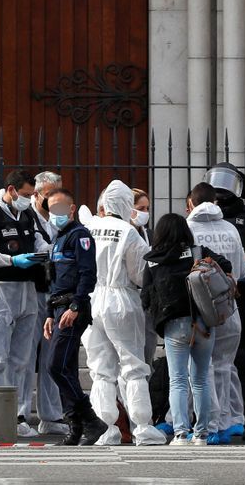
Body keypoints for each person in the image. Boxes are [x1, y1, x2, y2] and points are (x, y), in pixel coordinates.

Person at [82, 180, 166, 446]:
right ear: (127, 205)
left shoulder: (90, 226)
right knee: (133, 365)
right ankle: (142, 426)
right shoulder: (129, 232)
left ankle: (106, 428)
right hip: (121, 300)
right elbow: (141, 274)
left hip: (93, 298)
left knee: (101, 369)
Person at [141, 213, 233, 445]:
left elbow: (145, 297)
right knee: (200, 378)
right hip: (203, 323)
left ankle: (181, 432)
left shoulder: (152, 260)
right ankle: (201, 433)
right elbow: (227, 266)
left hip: (173, 325)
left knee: (178, 380)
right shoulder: (197, 252)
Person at [0, 170, 49, 436]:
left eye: (32, 195)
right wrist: (11, 260)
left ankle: (17, 415)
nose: (29, 200)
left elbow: (41, 241)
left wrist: (48, 252)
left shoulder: (27, 215)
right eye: (26, 195)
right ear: (12, 190)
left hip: (27, 288)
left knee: (21, 358)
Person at [203, 163, 245, 436]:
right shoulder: (201, 218)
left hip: (239, 293)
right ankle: (216, 418)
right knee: (210, 362)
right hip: (206, 295)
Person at [186, 182, 245, 444]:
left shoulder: (188, 229)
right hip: (228, 306)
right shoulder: (230, 229)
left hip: (198, 308)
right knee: (225, 366)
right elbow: (244, 273)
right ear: (216, 202)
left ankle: (211, 424)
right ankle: (231, 420)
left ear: (190, 204)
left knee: (203, 369)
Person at [43, 188, 108, 446]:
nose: (55, 214)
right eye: (51, 209)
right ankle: (75, 427)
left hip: (73, 308)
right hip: (58, 308)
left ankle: (91, 420)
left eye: (60, 208)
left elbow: (87, 273)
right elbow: (54, 280)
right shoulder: (59, 238)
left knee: (55, 366)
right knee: (66, 368)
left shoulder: (80, 236)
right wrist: (49, 313)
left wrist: (76, 306)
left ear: (71, 209)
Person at [16, 171, 67, 436]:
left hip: (54, 292)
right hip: (33, 291)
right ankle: (21, 413)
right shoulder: (27, 218)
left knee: (51, 355)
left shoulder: (59, 219)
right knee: (25, 355)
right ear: (36, 194)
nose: (52, 199)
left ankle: (51, 414)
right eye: (48, 194)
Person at [131, 187, 158, 368]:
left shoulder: (149, 234)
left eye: (147, 209)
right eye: (141, 209)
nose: (145, 213)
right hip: (129, 295)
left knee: (148, 348)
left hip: (147, 298)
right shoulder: (124, 232)